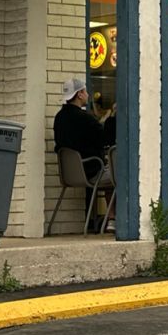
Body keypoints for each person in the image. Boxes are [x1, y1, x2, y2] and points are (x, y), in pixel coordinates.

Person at [53, 77, 115, 232]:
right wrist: (113, 116)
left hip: (70, 174)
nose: (88, 94)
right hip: (91, 172)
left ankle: (112, 219)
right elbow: (105, 138)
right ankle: (115, 220)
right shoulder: (84, 118)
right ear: (79, 94)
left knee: (111, 173)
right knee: (123, 174)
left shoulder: (59, 118)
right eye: (85, 91)